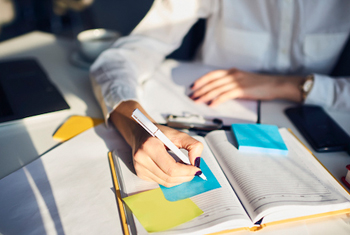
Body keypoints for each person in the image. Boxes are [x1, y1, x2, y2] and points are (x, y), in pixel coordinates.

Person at [90, 0, 350, 187]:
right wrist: (136, 127)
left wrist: (287, 85)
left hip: (314, 140)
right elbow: (121, 58)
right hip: (205, 117)